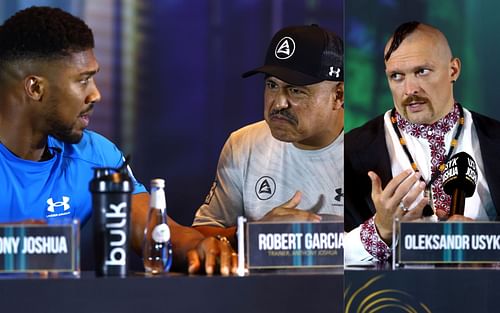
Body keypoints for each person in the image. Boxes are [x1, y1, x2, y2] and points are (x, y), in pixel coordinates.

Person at [0, 6, 234, 275]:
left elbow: (155, 230)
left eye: (94, 78)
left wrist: (200, 246)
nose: (95, 94)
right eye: (83, 81)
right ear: (35, 88)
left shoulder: (96, 155)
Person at [344, 21, 500, 264]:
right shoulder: (349, 152)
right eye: (396, 76)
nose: (409, 89)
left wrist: (487, 243)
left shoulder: (495, 140)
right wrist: (379, 231)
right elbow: (321, 251)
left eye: (422, 72)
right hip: (388, 299)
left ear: (453, 70)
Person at [192, 24, 344, 242]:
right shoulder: (243, 144)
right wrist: (255, 234)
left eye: (296, 90)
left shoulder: (372, 149)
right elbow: (200, 237)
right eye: (272, 85)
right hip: (264, 277)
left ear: (338, 95)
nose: (279, 103)